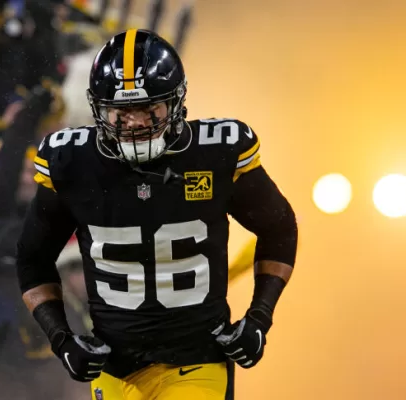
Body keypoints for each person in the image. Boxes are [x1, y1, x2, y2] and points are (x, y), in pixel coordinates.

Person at [15, 29, 298, 399]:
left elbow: (279, 228)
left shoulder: (216, 153)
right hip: (115, 369)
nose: (133, 123)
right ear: (99, 109)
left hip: (196, 360)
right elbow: (32, 258)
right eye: (120, 112)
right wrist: (60, 337)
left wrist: (260, 317)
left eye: (149, 109)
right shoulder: (71, 162)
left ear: (176, 102)